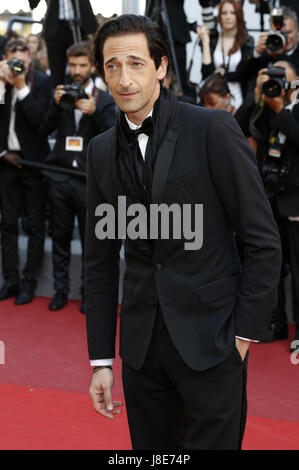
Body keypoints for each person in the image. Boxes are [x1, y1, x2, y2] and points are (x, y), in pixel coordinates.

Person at [85, 14, 281, 450]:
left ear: (161, 67)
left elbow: (263, 240)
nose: (123, 78)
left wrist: (242, 337)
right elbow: (99, 262)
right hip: (141, 353)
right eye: (112, 66)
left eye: (136, 63)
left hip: (212, 343)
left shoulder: (212, 129)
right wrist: (101, 360)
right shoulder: (99, 152)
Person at [39, 41, 116, 313]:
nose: (76, 70)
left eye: (82, 65)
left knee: (90, 243)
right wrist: (55, 104)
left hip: (87, 180)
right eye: (73, 65)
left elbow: (114, 135)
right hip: (59, 176)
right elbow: (43, 128)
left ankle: (87, 293)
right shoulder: (60, 94)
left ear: (92, 67)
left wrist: (94, 113)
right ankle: (60, 291)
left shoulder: (104, 100)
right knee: (59, 237)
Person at [235, 60, 299, 350]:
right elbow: (238, 127)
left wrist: (280, 110)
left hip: (295, 200)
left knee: (298, 269)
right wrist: (257, 94)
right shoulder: (266, 102)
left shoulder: (290, 108)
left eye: (281, 77)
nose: (276, 82)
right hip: (268, 197)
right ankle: (275, 324)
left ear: (295, 81)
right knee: (270, 265)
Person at [0, 39, 51, 304]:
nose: (18, 63)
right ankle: (11, 279)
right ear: (5, 58)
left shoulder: (41, 82)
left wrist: (21, 88)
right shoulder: (0, 80)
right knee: (7, 224)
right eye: (13, 58)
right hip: (5, 163)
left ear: (30, 58)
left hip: (34, 163)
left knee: (34, 224)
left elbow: (41, 125)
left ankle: (29, 282)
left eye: (23, 57)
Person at [197, 0, 254, 109]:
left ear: (239, 15)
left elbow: (245, 74)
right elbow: (206, 73)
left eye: (232, 13)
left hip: (239, 99)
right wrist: (205, 42)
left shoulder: (247, 40)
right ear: (219, 16)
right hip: (215, 100)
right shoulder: (214, 39)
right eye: (224, 13)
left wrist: (222, 74)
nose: (228, 17)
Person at [28, 0, 98, 87]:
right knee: (56, 75)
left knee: (81, 66)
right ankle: (57, 96)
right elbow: (33, 4)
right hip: (55, 29)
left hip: (80, 27)